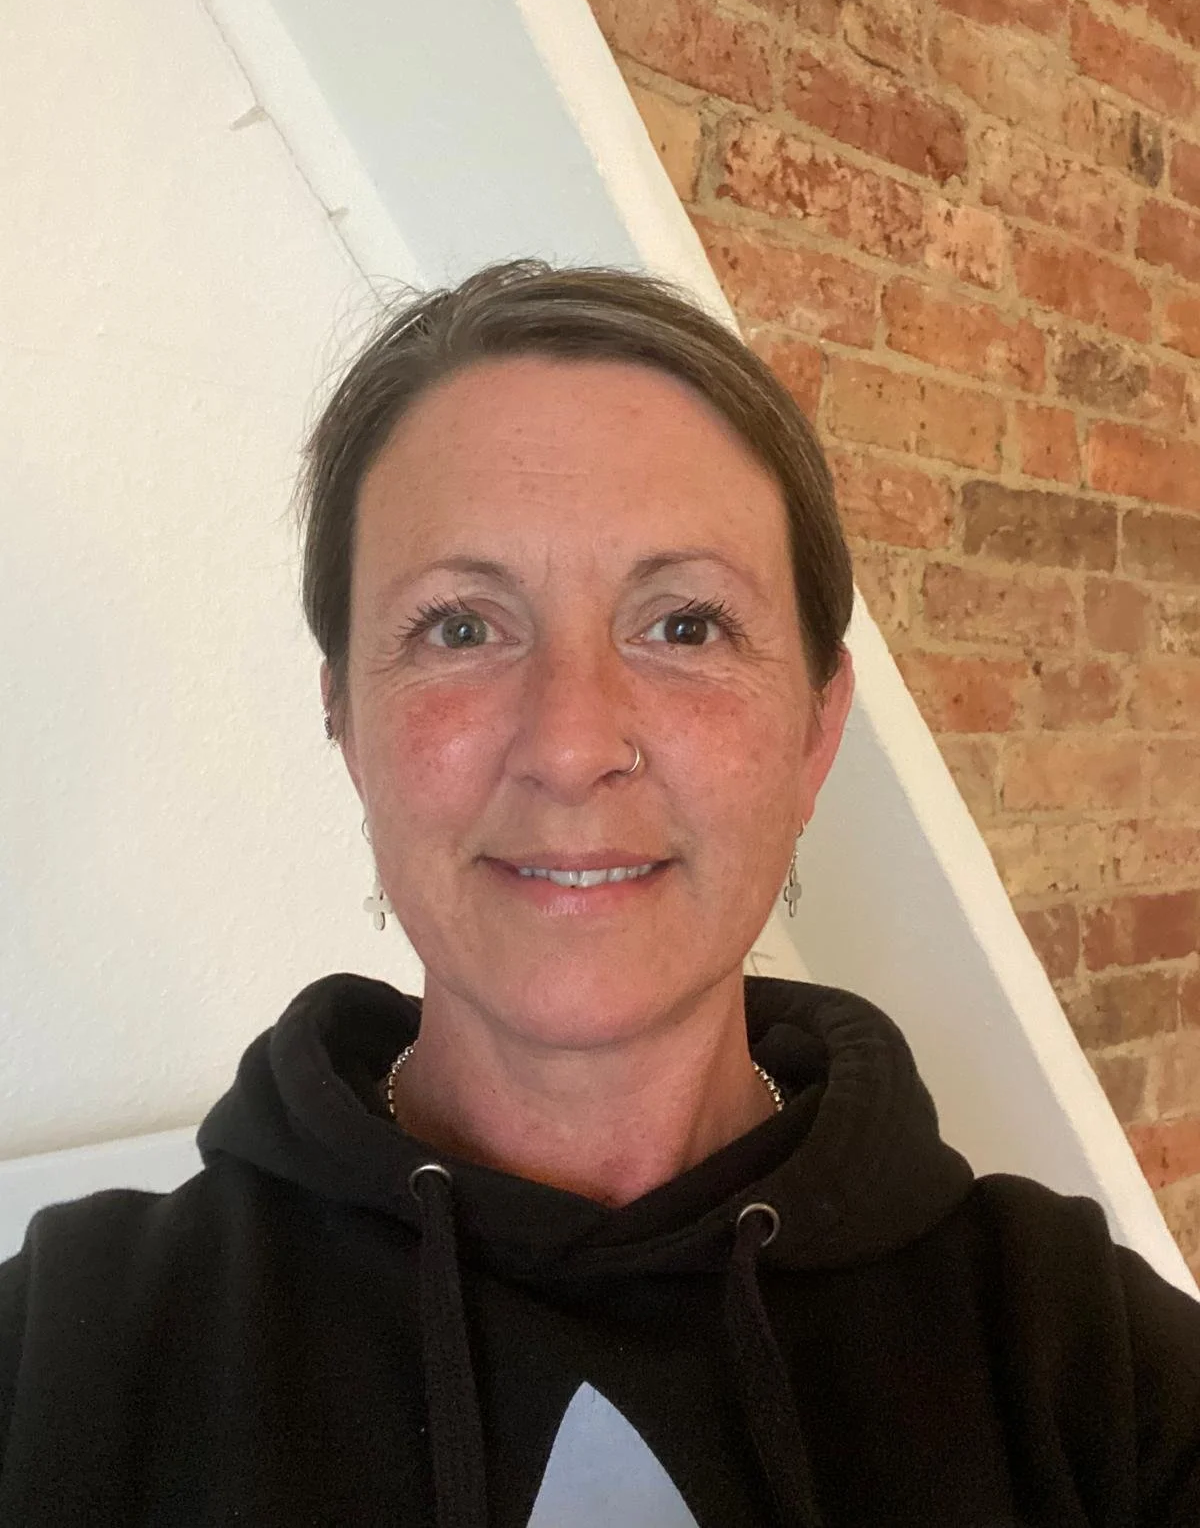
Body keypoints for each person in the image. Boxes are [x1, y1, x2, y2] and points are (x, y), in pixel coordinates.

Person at [1, 261, 1198, 1528]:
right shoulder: (64, 1365)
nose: (572, 743)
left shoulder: (1094, 1376)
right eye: (460, 627)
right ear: (346, 718)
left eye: (684, 625)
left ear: (815, 731)